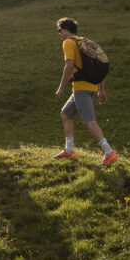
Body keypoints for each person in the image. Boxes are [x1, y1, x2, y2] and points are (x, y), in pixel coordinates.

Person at [51, 17, 116, 166]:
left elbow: (69, 65)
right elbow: (98, 67)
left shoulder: (68, 42)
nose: (59, 33)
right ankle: (69, 151)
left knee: (89, 121)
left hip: (81, 88)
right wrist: (101, 89)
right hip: (91, 86)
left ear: (66, 30)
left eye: (60, 30)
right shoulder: (84, 42)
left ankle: (110, 153)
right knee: (65, 114)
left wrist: (61, 87)